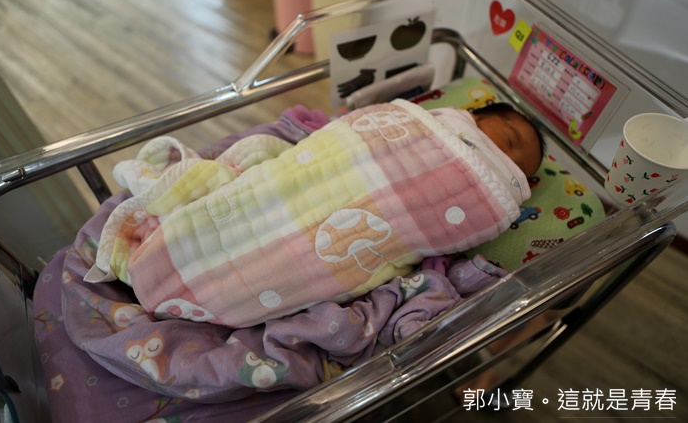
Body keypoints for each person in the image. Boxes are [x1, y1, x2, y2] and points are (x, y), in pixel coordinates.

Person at [85, 99, 544, 328]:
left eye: (518, 172)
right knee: (266, 192)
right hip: (312, 178)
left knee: (298, 258)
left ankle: (191, 284)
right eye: (508, 140)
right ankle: (168, 252)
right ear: (473, 117)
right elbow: (347, 141)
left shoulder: (489, 198)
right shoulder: (425, 124)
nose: (506, 161)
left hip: (342, 242)